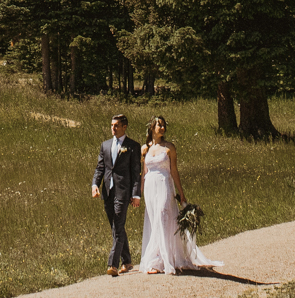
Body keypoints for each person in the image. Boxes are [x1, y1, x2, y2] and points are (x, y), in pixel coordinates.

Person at [136, 116, 220, 275]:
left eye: (163, 125)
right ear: (152, 128)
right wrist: (138, 194)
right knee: (154, 220)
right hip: (149, 186)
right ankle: (156, 258)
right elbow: (143, 173)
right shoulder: (144, 149)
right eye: (159, 125)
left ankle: (163, 260)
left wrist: (181, 193)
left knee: (163, 215)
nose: (162, 128)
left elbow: (174, 171)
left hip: (164, 184)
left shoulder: (169, 148)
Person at [91, 113, 143, 276]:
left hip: (123, 191)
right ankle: (127, 261)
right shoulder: (105, 145)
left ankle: (113, 264)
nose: (113, 128)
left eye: (116, 126)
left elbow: (136, 172)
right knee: (116, 227)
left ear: (124, 127)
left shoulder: (133, 146)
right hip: (107, 192)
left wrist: (136, 194)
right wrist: (95, 185)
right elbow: (100, 168)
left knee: (118, 225)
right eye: (111, 125)